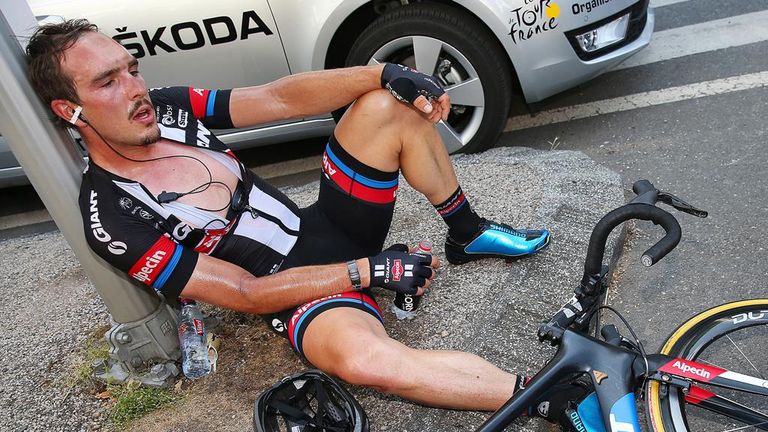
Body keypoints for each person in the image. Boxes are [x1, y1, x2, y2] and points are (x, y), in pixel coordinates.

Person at [26, 20, 551, 411]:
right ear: (68, 110)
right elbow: (244, 296)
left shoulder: (168, 108)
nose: (136, 89)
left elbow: (276, 98)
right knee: (366, 364)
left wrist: (385, 72)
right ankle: (551, 396)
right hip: (295, 289)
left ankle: (468, 232)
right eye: (107, 82)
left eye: (132, 69)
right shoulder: (111, 216)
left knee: (385, 105)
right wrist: (370, 271)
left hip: (326, 224)